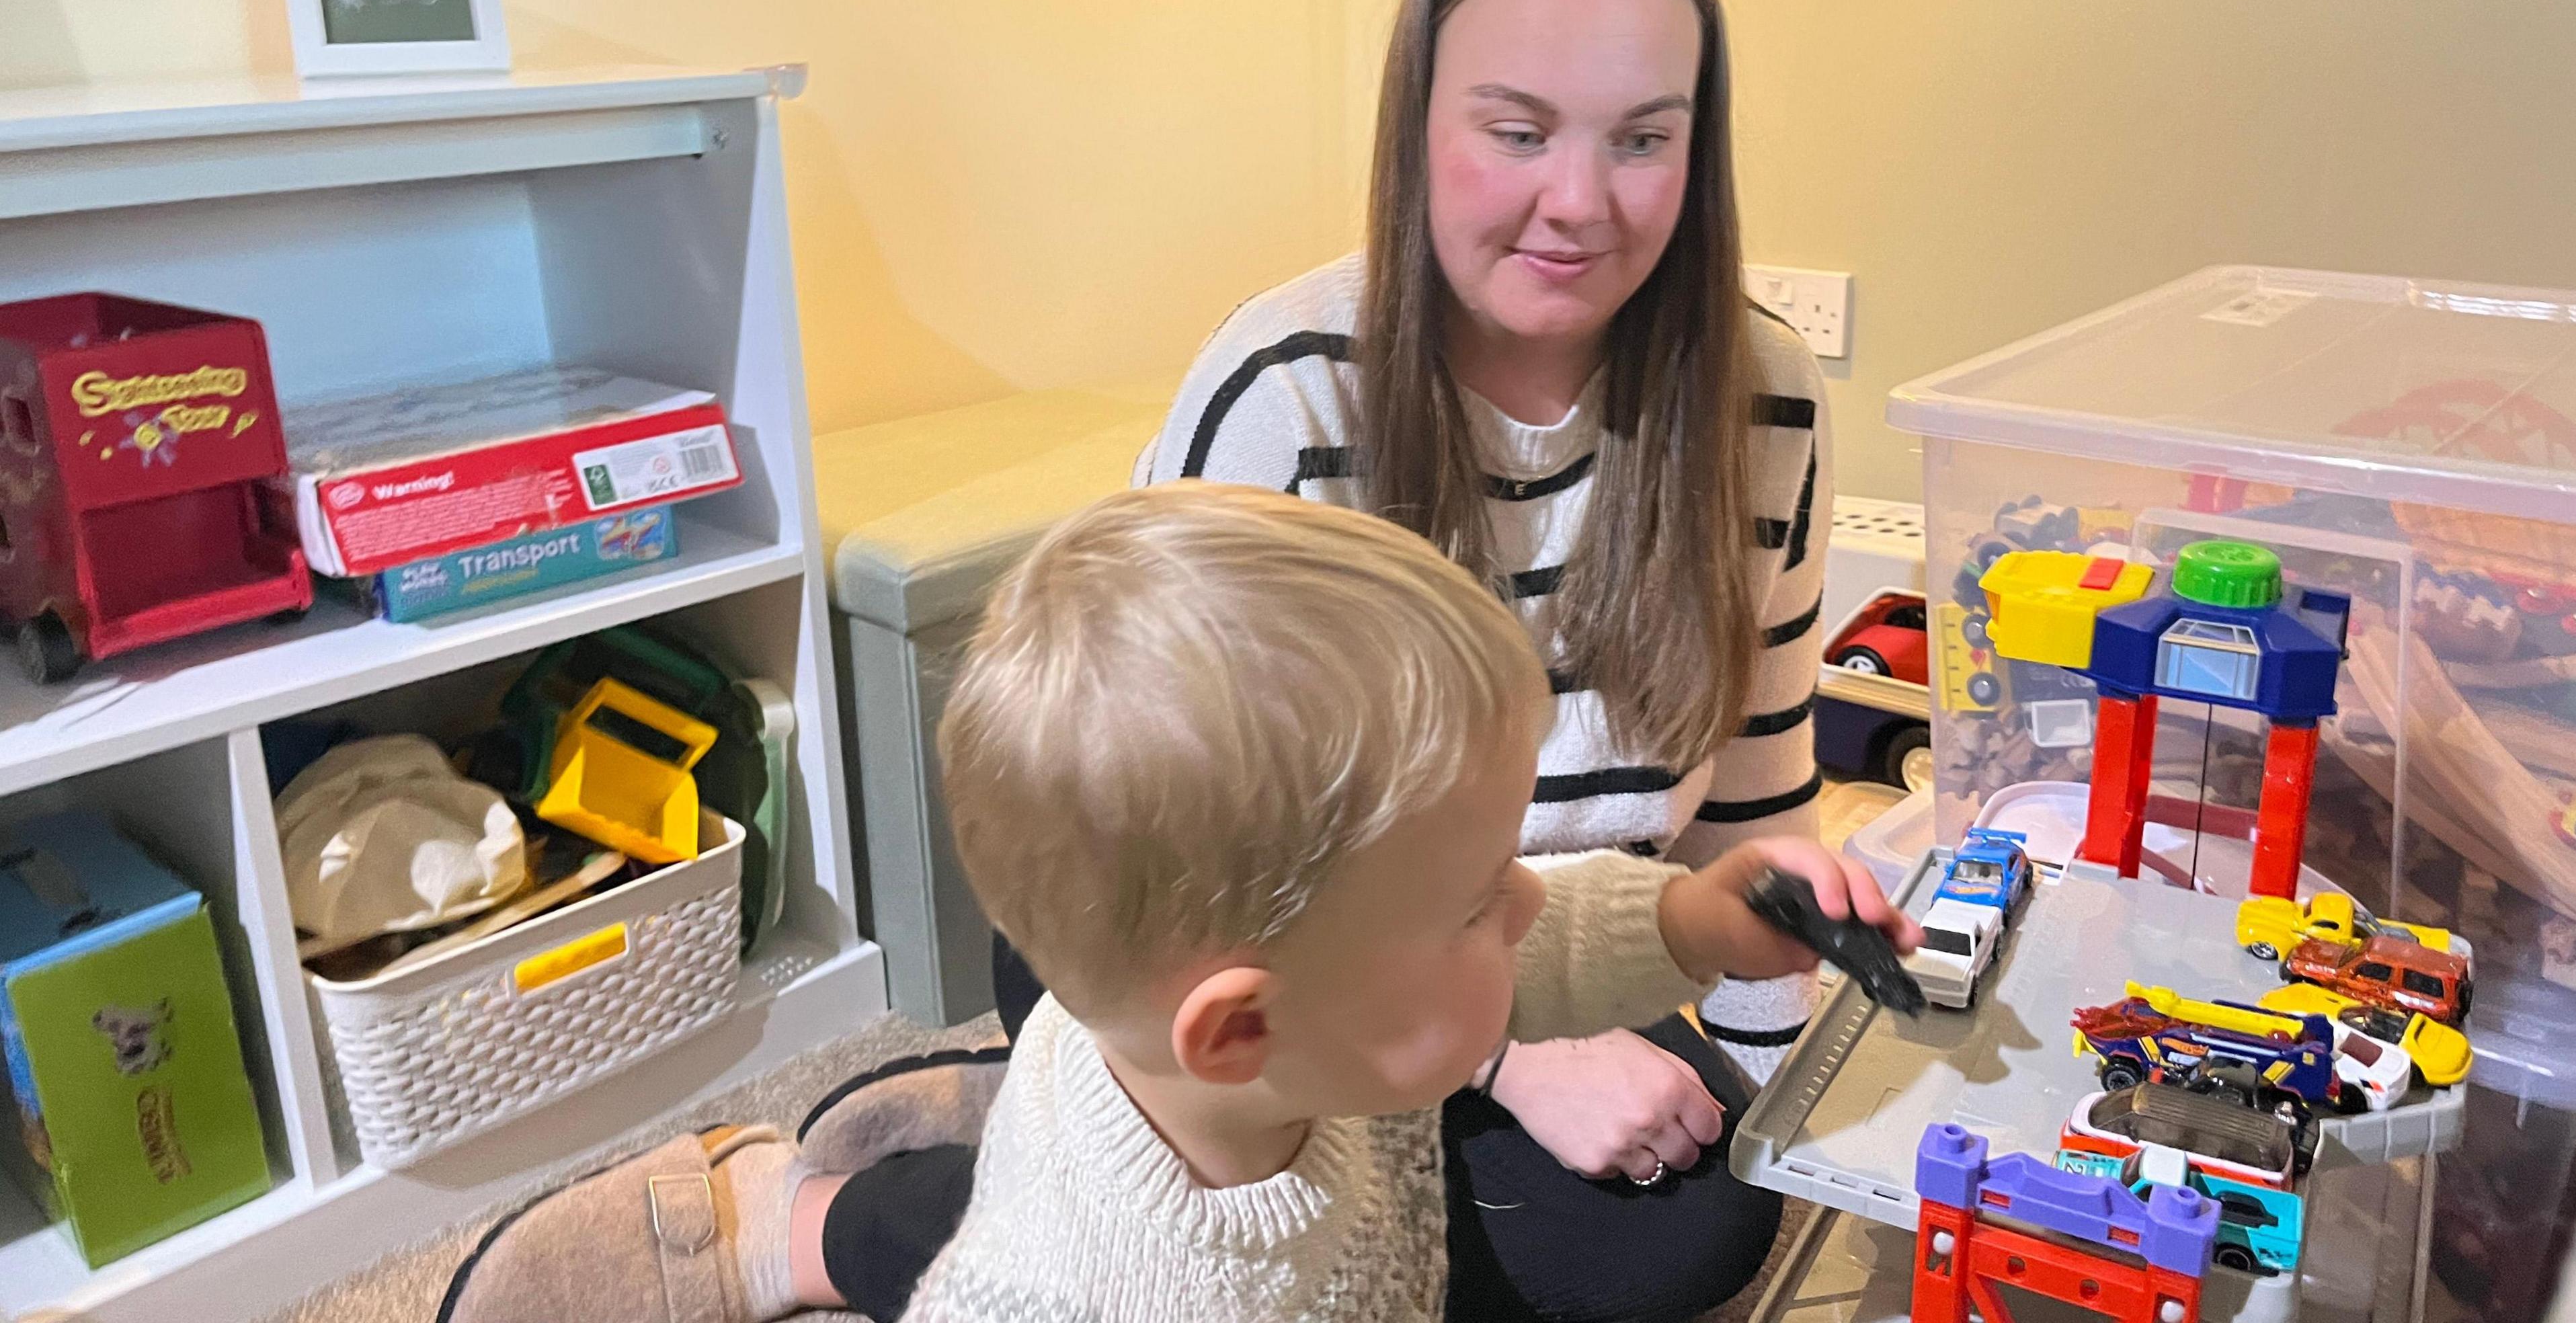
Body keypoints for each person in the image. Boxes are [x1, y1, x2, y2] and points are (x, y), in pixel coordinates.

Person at [446, 0, 1839, 1318]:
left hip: (1491, 944)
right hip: (1257, 940)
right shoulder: (1284, 389)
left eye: (1644, 142)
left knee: (1695, 1228)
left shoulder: (1767, 397)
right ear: (1420, 125)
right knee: (1253, 1265)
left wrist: (1762, 1069)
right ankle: (831, 1215)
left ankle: (1021, 1120)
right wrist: (1513, 1056)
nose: (1579, 203)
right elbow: (1166, 838)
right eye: (1516, 132)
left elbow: (1755, 792)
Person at [443, 486, 1909, 1323]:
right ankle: (781, 1219)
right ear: (1240, 1025)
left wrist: (1696, 927)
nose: (1527, 903)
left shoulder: (1337, 1027)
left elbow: (1529, 949)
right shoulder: (1064, 1303)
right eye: (1471, 902)